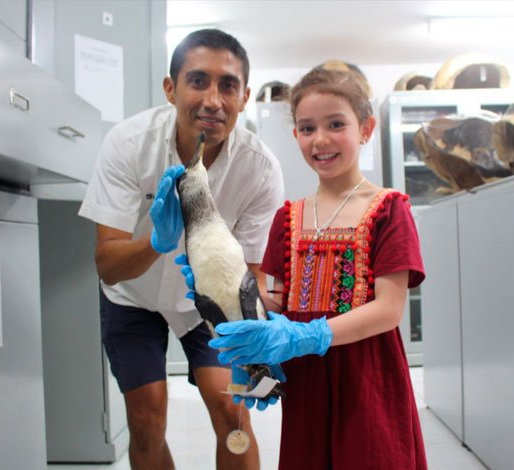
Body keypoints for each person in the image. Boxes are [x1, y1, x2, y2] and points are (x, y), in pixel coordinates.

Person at [78, 28, 284, 470]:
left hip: (205, 302)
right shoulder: (129, 144)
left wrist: (264, 346)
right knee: (147, 420)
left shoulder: (259, 169)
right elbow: (108, 265)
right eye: (198, 81)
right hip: (132, 296)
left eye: (227, 85)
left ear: (244, 96)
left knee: (234, 414)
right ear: (171, 89)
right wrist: (158, 243)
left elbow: (251, 275)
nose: (213, 99)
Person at [207, 68, 428, 469]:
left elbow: (390, 309)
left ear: (366, 128)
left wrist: (310, 333)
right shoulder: (288, 218)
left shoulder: (390, 210)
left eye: (336, 124)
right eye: (307, 128)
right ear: (296, 137)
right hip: (307, 383)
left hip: (368, 379)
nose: (320, 139)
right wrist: (238, 314)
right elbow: (277, 301)